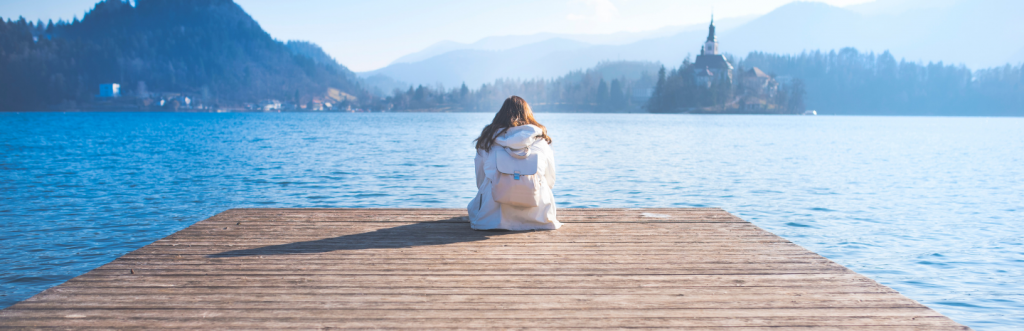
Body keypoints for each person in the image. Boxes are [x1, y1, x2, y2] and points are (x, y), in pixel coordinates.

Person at [468, 96, 560, 230]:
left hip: (491, 218)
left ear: (500, 116)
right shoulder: (541, 142)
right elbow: (550, 180)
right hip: (539, 218)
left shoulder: (487, 142)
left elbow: (480, 180)